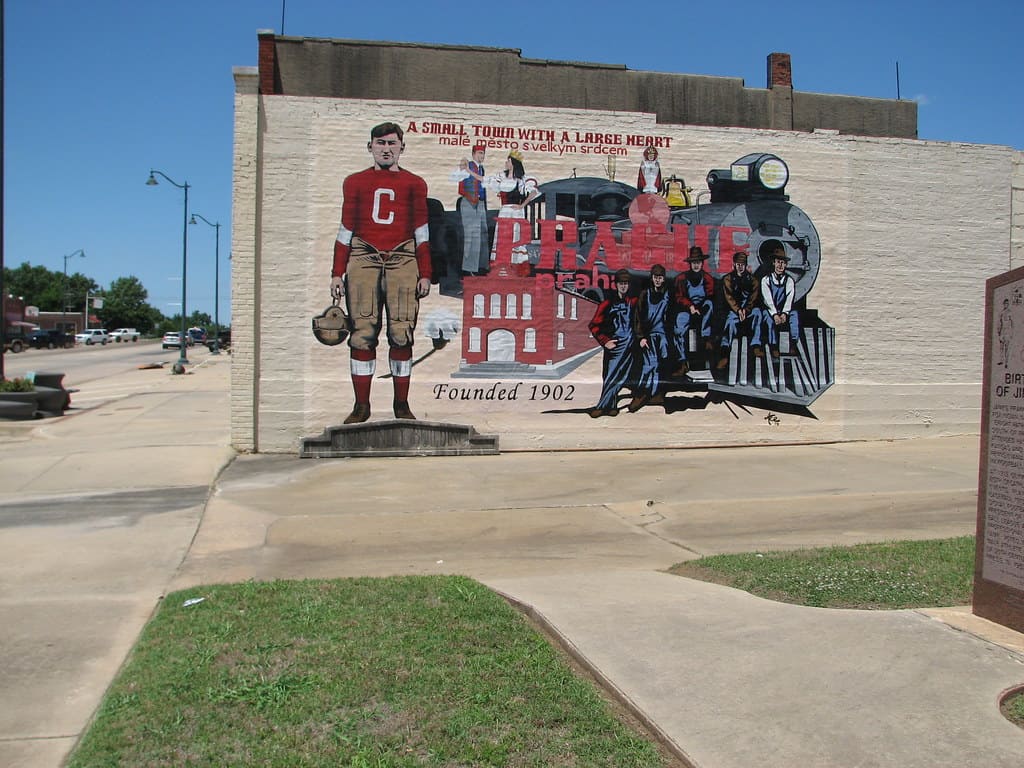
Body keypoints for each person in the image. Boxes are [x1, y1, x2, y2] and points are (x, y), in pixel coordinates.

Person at [330, 121, 432, 424]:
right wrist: (337, 273)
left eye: (391, 143)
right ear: (370, 147)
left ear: (401, 146)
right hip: (363, 254)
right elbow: (345, 229)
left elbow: (422, 231)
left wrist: (425, 272)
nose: (386, 149)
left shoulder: (415, 183)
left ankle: (401, 403)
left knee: (401, 332)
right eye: (380, 143)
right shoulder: (355, 182)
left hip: (403, 255)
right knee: (362, 332)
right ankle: (362, 404)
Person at [588, 269, 637, 418]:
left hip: (630, 347)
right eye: (621, 284)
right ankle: (602, 406)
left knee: (622, 377)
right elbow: (594, 325)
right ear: (616, 285)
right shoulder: (607, 303)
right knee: (610, 377)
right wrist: (605, 341)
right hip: (615, 347)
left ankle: (612, 407)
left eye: (626, 284)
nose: (623, 286)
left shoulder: (633, 302)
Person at [487, 150, 540, 264]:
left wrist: (522, 205)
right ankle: (502, 263)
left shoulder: (522, 180)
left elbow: (534, 193)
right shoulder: (502, 177)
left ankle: (515, 264)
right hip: (504, 212)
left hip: (516, 212)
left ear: (513, 163)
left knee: (515, 237)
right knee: (503, 237)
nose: (506, 162)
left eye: (508, 160)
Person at [631, 264, 671, 410]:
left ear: (664, 279)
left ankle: (656, 394)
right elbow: (637, 318)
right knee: (649, 365)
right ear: (652, 278)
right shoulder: (645, 294)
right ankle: (641, 393)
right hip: (649, 336)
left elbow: (671, 316)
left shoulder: (668, 295)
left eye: (660, 278)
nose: (658, 280)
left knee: (660, 366)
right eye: (655, 278)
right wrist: (641, 337)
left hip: (663, 336)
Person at [671, 246, 715, 376]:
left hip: (702, 309)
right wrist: (690, 306)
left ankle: (706, 337)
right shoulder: (682, 278)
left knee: (709, 305)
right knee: (678, 327)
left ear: (702, 263)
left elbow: (710, 295)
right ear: (690, 264)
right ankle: (683, 363)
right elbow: (679, 297)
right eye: (694, 262)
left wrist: (699, 308)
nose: (696, 265)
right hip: (687, 309)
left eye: (698, 262)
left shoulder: (708, 278)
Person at [718, 251, 765, 368]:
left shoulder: (753, 280)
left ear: (746, 265)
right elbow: (729, 297)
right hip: (733, 311)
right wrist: (738, 310)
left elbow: (753, 298)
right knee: (729, 321)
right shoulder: (727, 279)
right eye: (738, 264)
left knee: (758, 313)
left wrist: (746, 310)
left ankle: (755, 346)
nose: (740, 267)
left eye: (742, 264)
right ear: (734, 264)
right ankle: (725, 353)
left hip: (747, 311)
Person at [760, 246, 799, 358]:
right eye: (778, 262)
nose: (780, 265)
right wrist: (775, 314)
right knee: (767, 318)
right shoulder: (766, 280)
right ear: (774, 263)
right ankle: (774, 346)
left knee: (794, 315)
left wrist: (784, 313)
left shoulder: (789, 280)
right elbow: (767, 299)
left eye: (783, 262)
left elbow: (789, 298)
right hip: (771, 310)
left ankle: (793, 344)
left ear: (786, 265)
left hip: (784, 310)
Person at [458, 144, 489, 275]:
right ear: (473, 154)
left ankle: (481, 266)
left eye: (483, 153)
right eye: (479, 153)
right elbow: (461, 186)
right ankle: (469, 269)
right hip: (469, 202)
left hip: (480, 204)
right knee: (471, 236)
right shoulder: (467, 165)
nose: (481, 156)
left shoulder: (482, 169)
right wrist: (471, 199)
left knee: (483, 234)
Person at [998, 297, 1013, 367]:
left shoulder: (1010, 312)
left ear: (1008, 304)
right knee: (1001, 347)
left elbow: (1012, 322)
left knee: (1007, 347)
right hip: (1002, 331)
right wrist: (999, 331)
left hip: (1007, 331)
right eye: (1005, 304)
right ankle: (1001, 360)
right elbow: (1000, 322)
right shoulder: (1001, 312)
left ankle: (1006, 363)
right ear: (1003, 304)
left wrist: (1011, 332)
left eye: (1007, 304)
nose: (1006, 305)